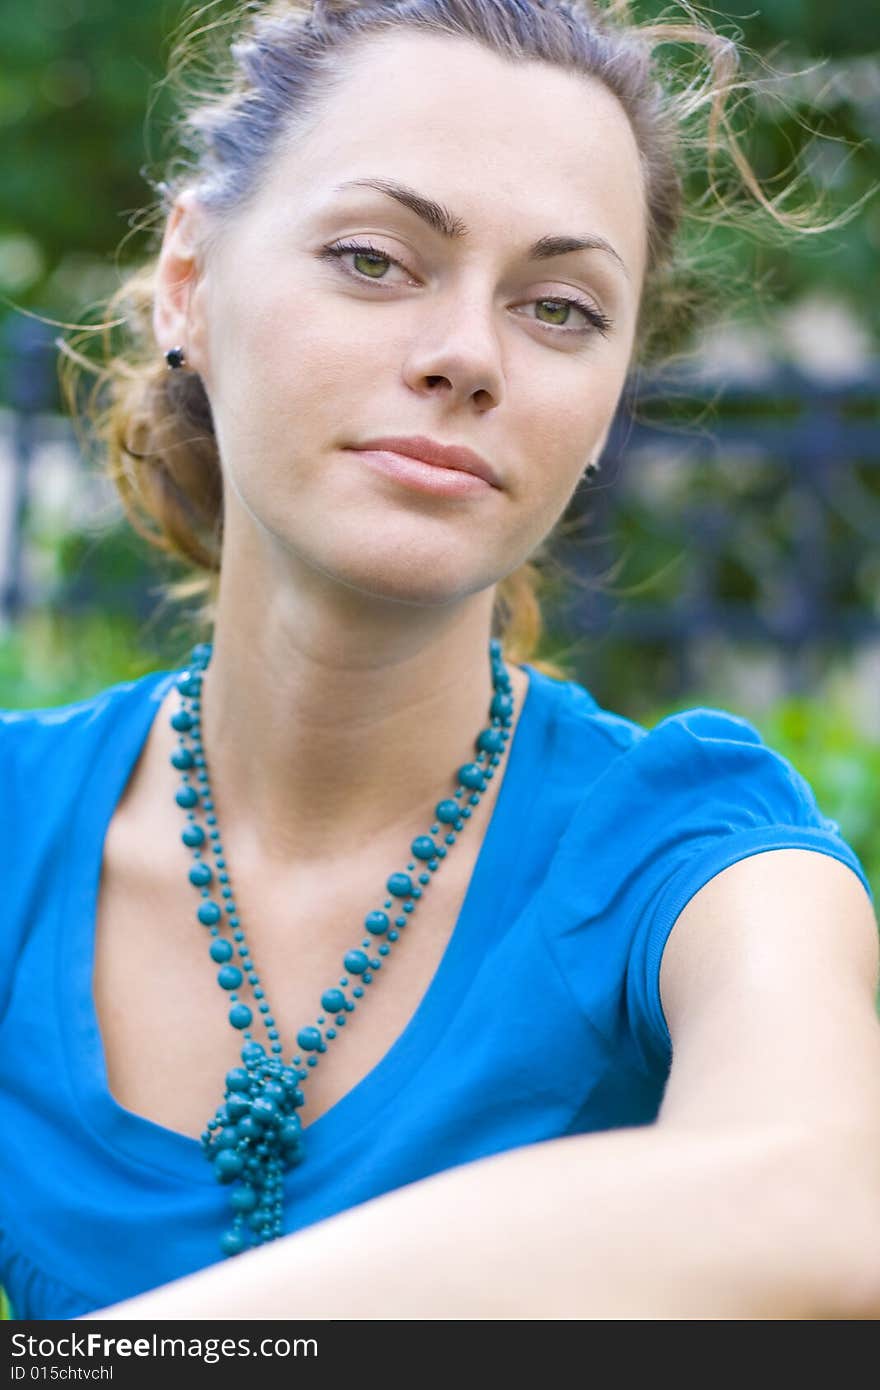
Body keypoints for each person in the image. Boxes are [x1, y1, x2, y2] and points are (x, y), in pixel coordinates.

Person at [2, 0, 879, 1322]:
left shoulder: (692, 852)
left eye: (562, 307)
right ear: (189, 280)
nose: (468, 355)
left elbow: (825, 1200)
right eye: (374, 258)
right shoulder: (21, 828)